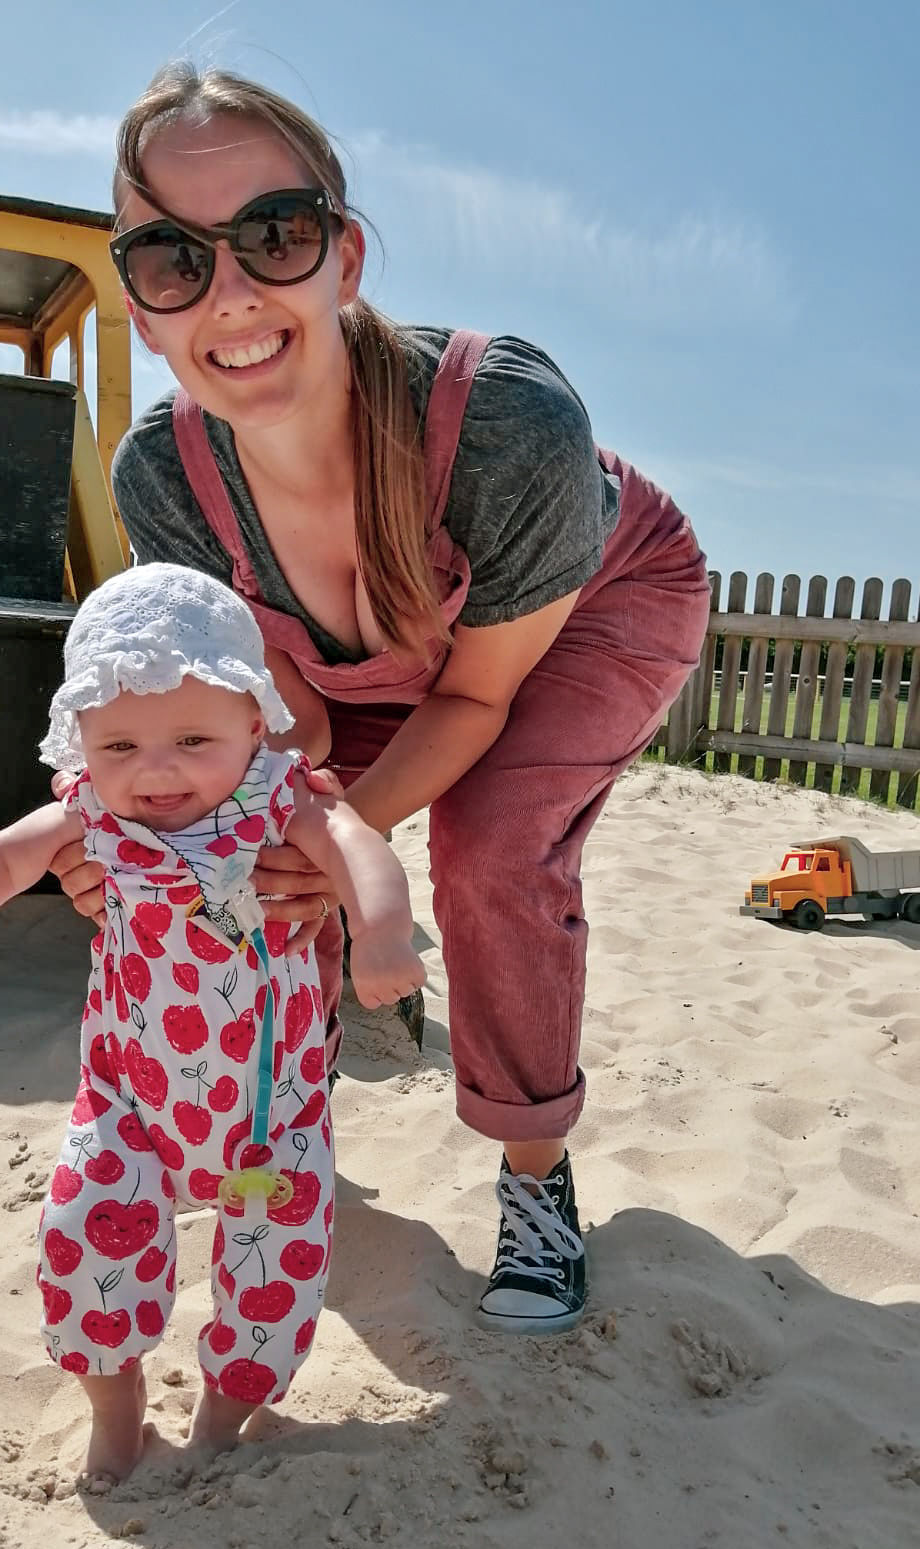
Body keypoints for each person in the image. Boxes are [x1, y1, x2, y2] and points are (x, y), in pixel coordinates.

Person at [49, 62, 713, 1338]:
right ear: (140, 307)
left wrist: (349, 850)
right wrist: (161, 837)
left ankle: (534, 1177)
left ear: (344, 256)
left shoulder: (509, 420)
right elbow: (275, 714)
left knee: (485, 848)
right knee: (262, 846)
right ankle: (280, 1118)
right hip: (380, 663)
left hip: (594, 600)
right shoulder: (165, 477)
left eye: (275, 235)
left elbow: (472, 703)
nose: (232, 291)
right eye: (174, 259)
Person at [0, 563, 424, 1479]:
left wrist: (383, 931)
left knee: (271, 1269)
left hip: (262, 1126)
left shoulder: (276, 801)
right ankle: (116, 1417)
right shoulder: (91, 814)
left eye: (193, 737)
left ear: (255, 722)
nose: (156, 769)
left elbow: (357, 846)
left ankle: (220, 1423)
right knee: (87, 1241)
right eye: (118, 746)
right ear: (80, 740)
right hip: (130, 1111)